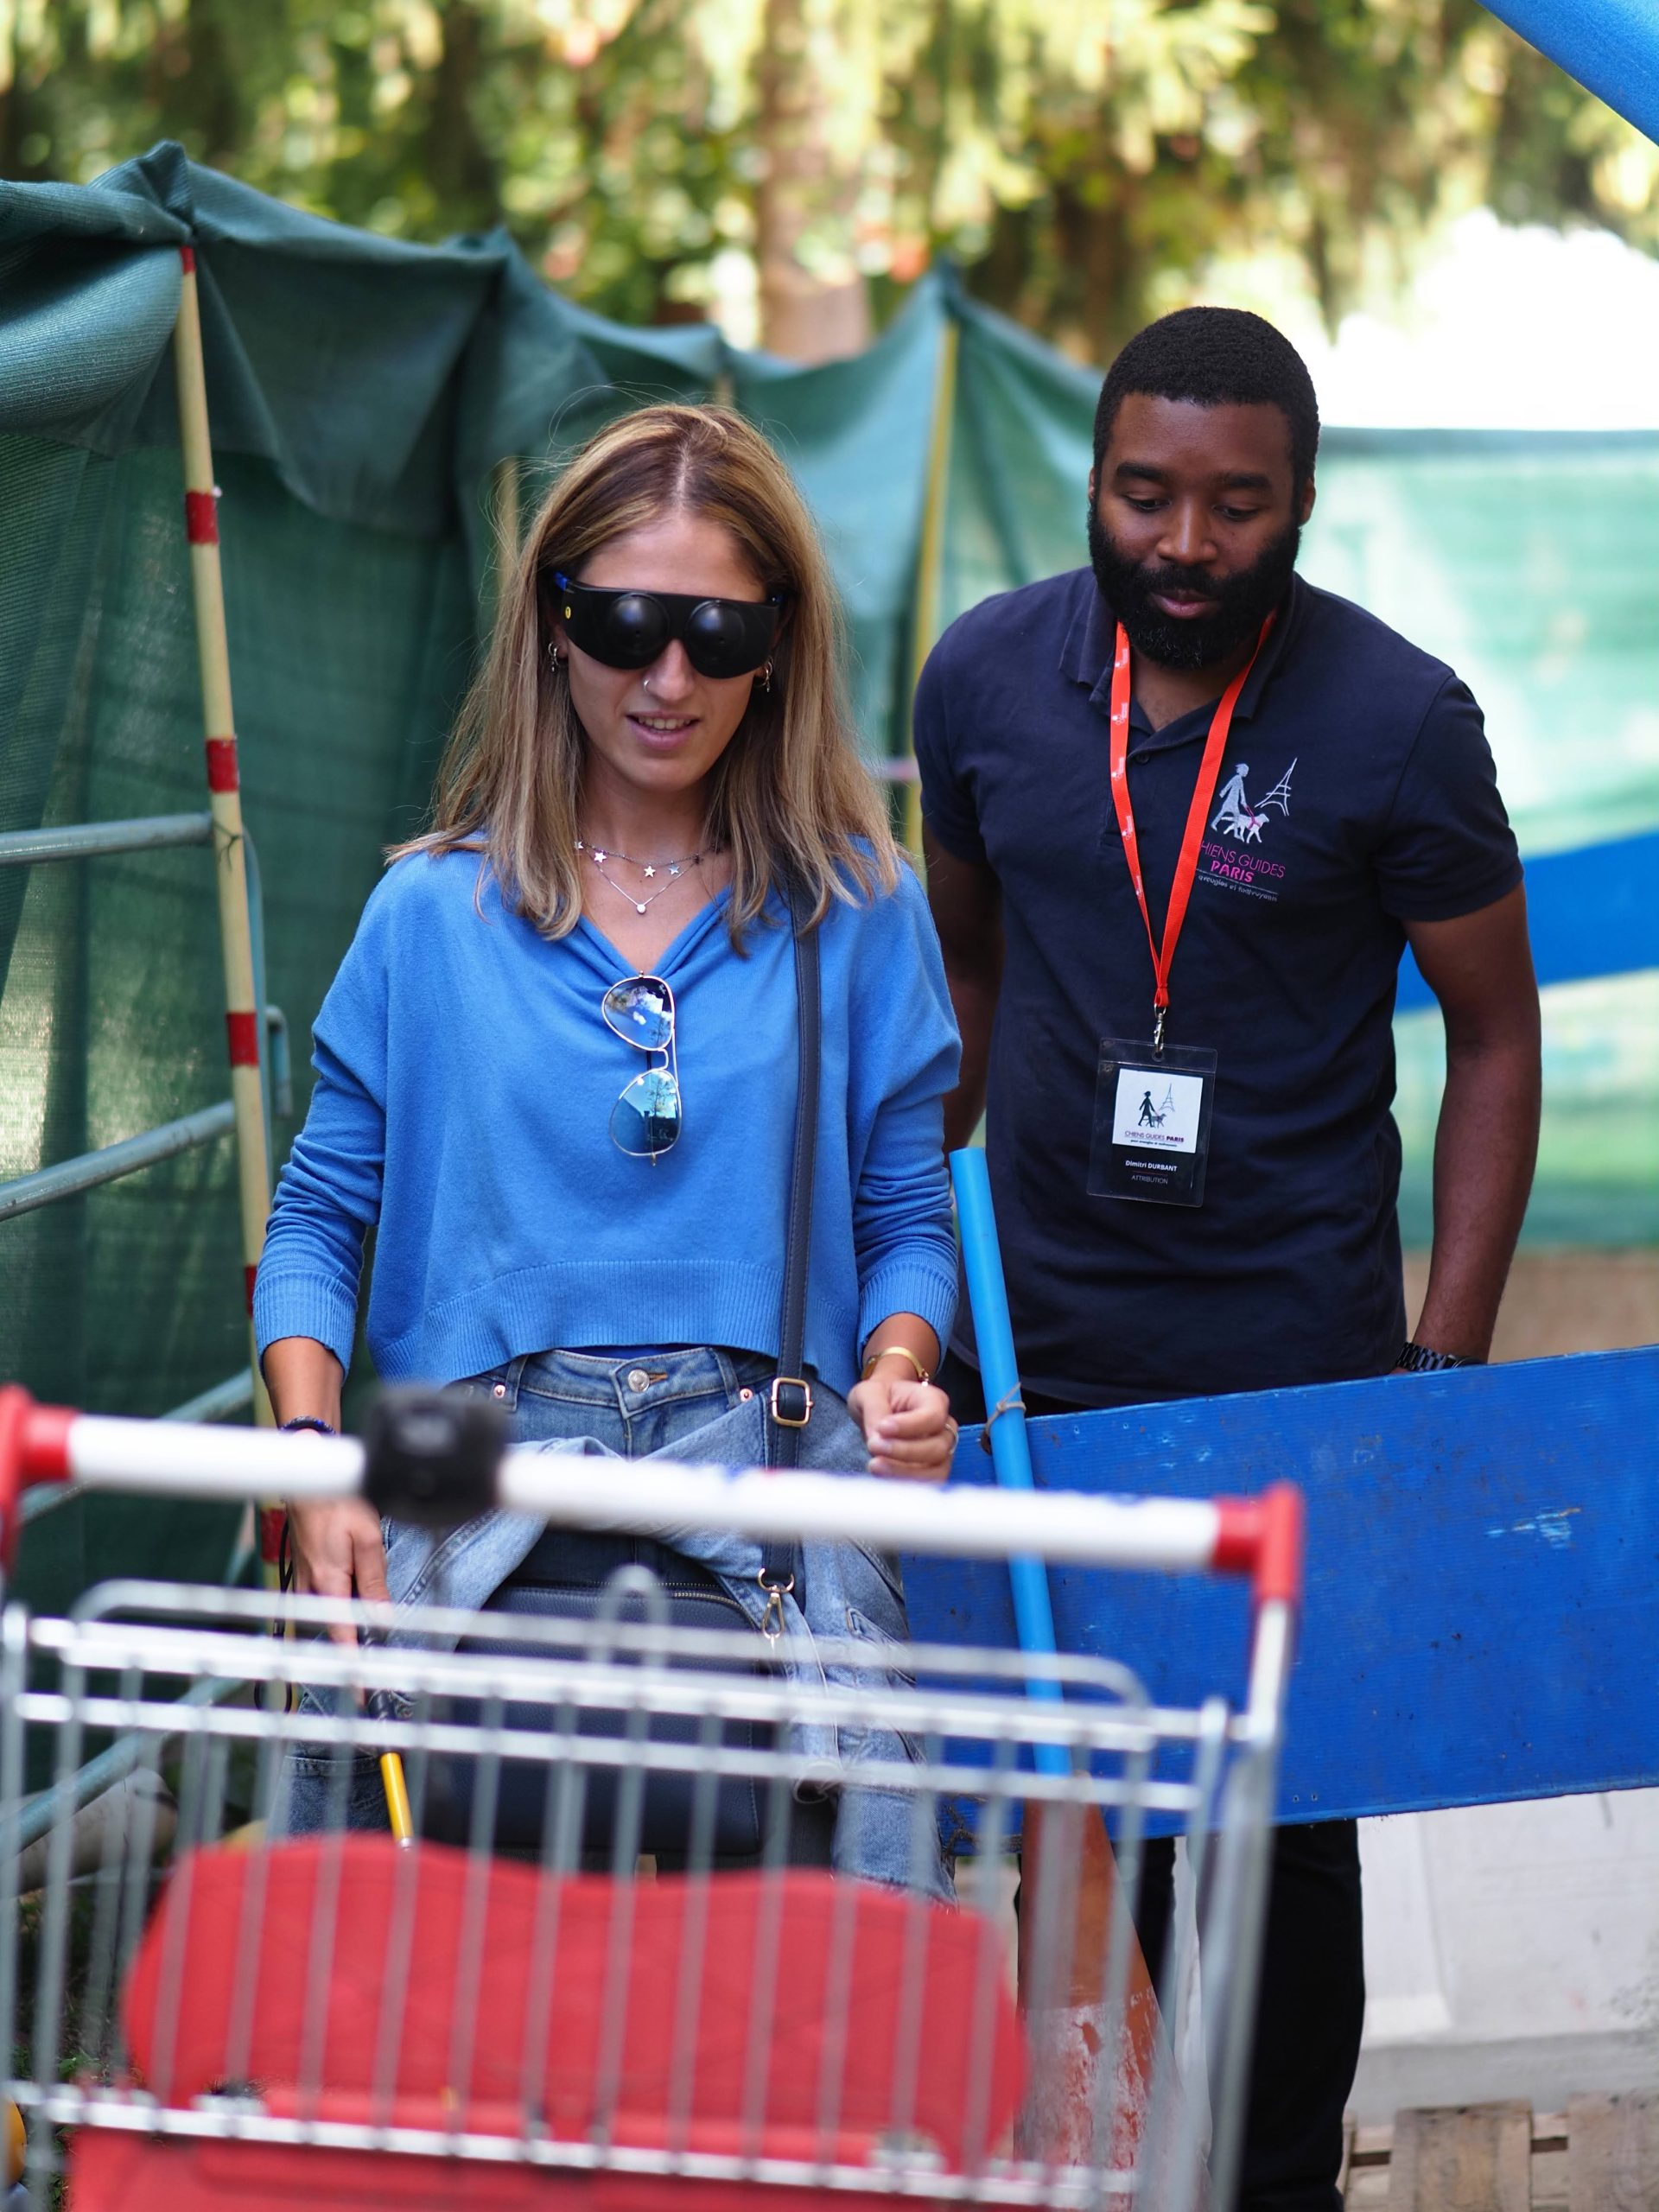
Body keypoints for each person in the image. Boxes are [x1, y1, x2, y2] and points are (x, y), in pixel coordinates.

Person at [914, 308, 1541, 2206]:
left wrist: (1440, 1361)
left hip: (1303, 1358)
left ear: (1300, 506)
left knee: (1281, 1838)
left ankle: (1278, 2188)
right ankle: (1097, 2172)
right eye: (1146, 492)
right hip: (1046, 1364)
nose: (1185, 540)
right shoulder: (982, 682)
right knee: (1074, 1820)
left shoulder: (1398, 716)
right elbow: (968, 965)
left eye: (1236, 505)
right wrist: (923, 1298)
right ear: (1097, 482)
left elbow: (1494, 1031)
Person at [254, 402, 962, 1896]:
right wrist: (313, 1461)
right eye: (626, 620)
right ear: (553, 625)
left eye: (719, 632)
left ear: (781, 646)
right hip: (465, 1462)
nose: (669, 674)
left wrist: (899, 1373)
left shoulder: (862, 910)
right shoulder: (424, 916)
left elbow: (906, 1213)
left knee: (846, 1991)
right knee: (378, 1956)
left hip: (774, 1467)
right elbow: (318, 1218)